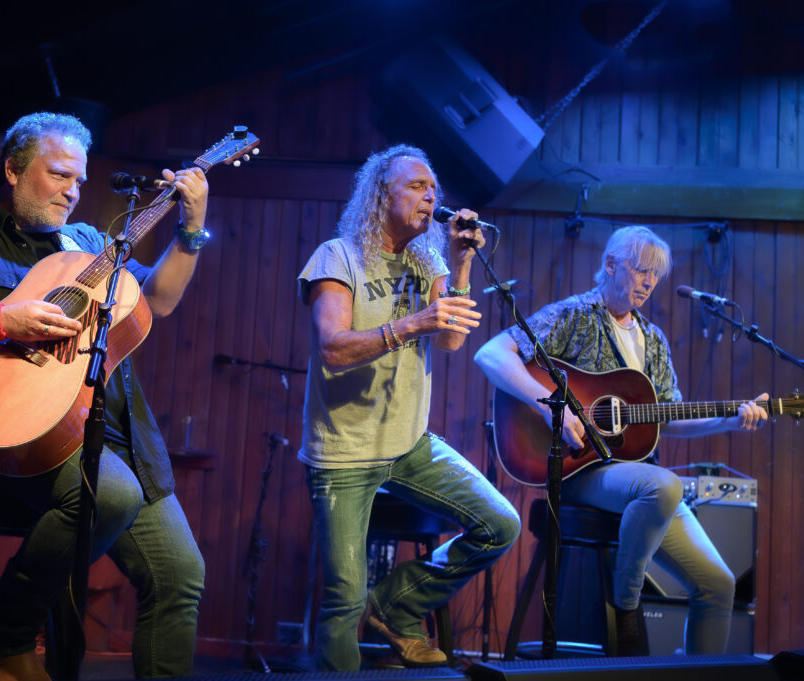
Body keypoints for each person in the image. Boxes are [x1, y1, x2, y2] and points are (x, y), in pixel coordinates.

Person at [0, 113, 208, 680]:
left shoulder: (87, 245)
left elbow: (161, 299)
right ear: (12, 170)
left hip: (113, 431)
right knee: (111, 491)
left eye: (79, 182)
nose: (72, 193)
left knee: (181, 573)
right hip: (7, 437)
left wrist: (190, 228)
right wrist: (0, 320)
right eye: (58, 177)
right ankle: (7, 632)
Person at [474, 225, 769, 655]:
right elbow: (491, 354)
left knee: (719, 584)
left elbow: (667, 418)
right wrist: (550, 405)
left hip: (638, 480)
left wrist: (727, 421)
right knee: (664, 484)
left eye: (656, 275)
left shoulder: (652, 340)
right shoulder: (572, 315)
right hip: (579, 469)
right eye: (641, 271)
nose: (649, 283)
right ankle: (625, 602)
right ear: (610, 265)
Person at [297, 144, 521, 670]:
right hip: (343, 452)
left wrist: (461, 260)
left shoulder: (428, 258)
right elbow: (333, 347)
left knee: (500, 525)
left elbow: (449, 340)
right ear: (382, 194)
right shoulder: (338, 256)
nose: (430, 197)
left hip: (408, 442)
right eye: (417, 187)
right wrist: (413, 323)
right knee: (341, 601)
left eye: (434, 189)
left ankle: (394, 606)